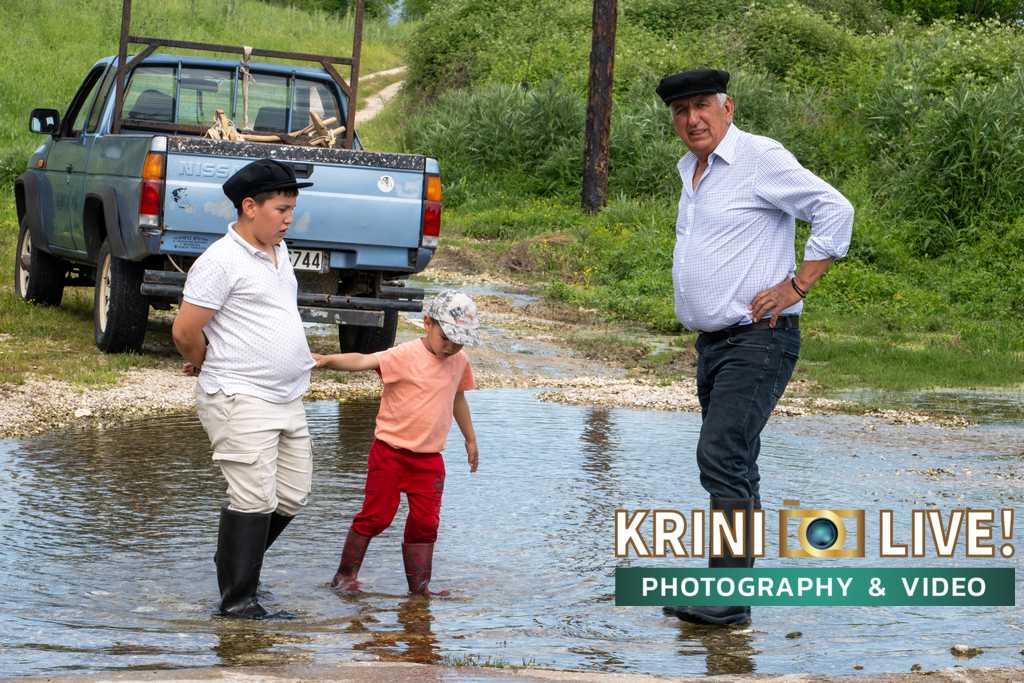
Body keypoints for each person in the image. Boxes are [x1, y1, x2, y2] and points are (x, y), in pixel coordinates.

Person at [655, 68, 854, 626]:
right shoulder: (692, 170)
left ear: (728, 107)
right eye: (680, 111)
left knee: (721, 455)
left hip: (759, 340)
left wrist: (798, 286)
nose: (691, 119)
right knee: (736, 461)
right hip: (715, 345)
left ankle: (726, 598)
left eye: (702, 106)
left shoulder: (759, 157)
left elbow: (835, 209)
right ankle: (730, 594)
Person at [171, 158, 315, 619]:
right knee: (253, 499)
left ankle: (236, 564)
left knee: (292, 494)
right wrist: (206, 362)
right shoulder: (220, 261)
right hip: (239, 396)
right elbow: (184, 331)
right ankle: (238, 604)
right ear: (250, 206)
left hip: (288, 396)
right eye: (281, 210)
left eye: (292, 210)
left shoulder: (279, 250)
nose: (289, 219)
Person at [313, 290, 481, 596]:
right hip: (389, 453)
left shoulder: (459, 361)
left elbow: (458, 398)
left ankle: (420, 589)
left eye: (459, 342)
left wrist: (470, 439)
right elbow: (364, 360)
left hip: (429, 460)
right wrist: (326, 360)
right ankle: (345, 575)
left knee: (426, 524)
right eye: (446, 338)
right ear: (428, 323)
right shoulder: (404, 355)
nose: (451, 347)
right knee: (377, 516)